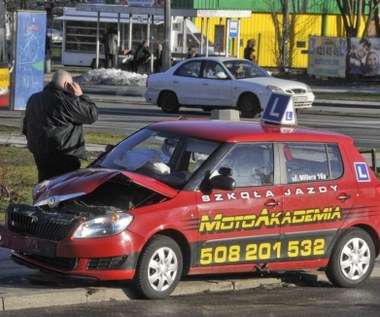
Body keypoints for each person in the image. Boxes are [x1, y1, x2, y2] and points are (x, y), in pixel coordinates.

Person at [22, 70, 98, 183]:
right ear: (67, 85)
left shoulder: (33, 99)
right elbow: (92, 114)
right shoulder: (66, 101)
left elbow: (26, 127)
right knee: (63, 189)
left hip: (40, 153)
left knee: (45, 186)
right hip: (64, 155)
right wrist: (81, 95)